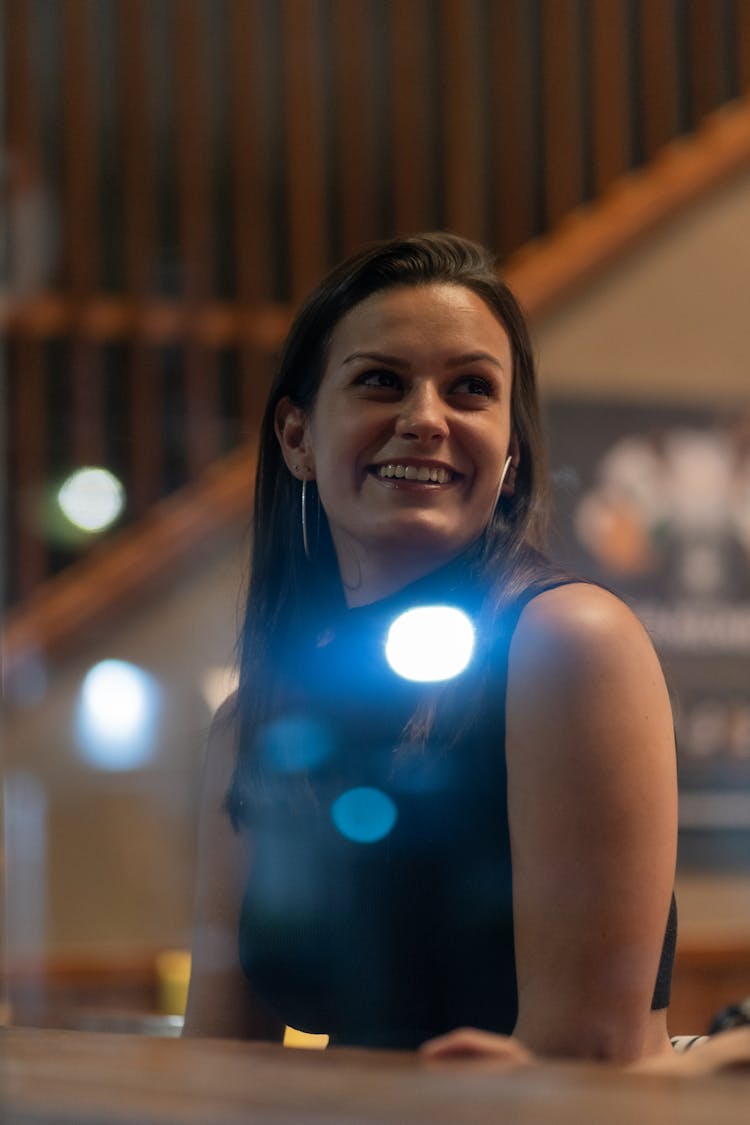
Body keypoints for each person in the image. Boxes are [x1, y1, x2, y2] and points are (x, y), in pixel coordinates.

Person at [183, 232, 678, 1063]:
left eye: (471, 389)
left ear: (511, 453)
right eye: (381, 381)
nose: (424, 419)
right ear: (297, 435)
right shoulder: (249, 719)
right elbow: (218, 1052)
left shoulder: (566, 643)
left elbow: (587, 1052)